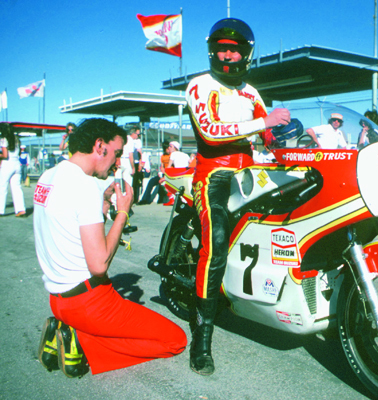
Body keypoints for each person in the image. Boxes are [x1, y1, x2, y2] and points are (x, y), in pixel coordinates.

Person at [34, 118, 186, 378]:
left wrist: (102, 207)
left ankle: (66, 329)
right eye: (116, 154)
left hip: (58, 300)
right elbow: (99, 263)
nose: (118, 163)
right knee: (175, 339)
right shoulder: (85, 186)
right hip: (89, 302)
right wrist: (122, 213)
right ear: (99, 146)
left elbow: (68, 231)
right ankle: (79, 342)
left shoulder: (49, 176)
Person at [185, 18, 290, 376]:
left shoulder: (250, 91)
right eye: (223, 48)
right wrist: (264, 124)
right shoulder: (199, 85)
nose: (228, 56)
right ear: (212, 50)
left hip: (250, 174)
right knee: (214, 246)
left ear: (246, 54)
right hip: (213, 175)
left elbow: (270, 133)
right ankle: (201, 338)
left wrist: (286, 141)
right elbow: (211, 133)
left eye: (236, 49)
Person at [0, 123, 27, 217]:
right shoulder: (16, 139)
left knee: (2, 187)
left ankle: (1, 210)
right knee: (17, 188)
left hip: (7, 164)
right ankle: (21, 210)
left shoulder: (4, 139)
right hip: (17, 164)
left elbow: (4, 155)